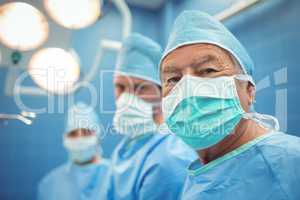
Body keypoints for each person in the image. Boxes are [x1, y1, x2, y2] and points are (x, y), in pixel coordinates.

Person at [159, 10, 300, 200]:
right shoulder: (203, 171)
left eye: (208, 70)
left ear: (249, 90)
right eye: (173, 79)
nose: (187, 90)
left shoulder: (291, 164)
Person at [111, 32, 197, 200]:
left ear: (162, 92)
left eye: (140, 88)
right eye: (120, 87)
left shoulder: (171, 158)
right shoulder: (128, 146)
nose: (126, 98)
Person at [38, 102, 111, 200]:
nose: (79, 139)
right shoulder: (50, 184)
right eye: (73, 133)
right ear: (65, 138)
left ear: (97, 136)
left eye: (86, 132)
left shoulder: (115, 176)